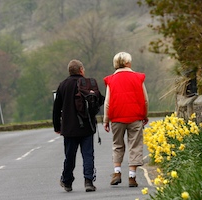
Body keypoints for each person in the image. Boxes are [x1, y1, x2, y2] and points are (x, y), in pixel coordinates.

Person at [53, 59, 104, 192]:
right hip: (87, 126)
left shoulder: (63, 85)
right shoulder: (88, 84)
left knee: (70, 156)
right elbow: (101, 99)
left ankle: (67, 181)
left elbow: (56, 108)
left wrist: (57, 126)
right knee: (88, 154)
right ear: (81, 70)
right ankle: (88, 181)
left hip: (69, 128)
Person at [103, 52, 149, 187]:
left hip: (117, 117)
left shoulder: (111, 80)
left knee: (117, 144)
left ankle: (117, 172)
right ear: (128, 63)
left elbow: (107, 102)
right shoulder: (138, 77)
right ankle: (132, 177)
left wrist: (106, 120)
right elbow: (145, 100)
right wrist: (144, 115)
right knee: (135, 145)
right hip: (135, 116)